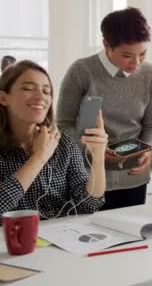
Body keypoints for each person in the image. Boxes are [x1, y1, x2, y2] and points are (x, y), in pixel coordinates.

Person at [57, 7, 152, 210]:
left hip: (133, 180)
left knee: (131, 238)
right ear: (106, 44)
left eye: (143, 54)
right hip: (87, 179)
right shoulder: (81, 71)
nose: (136, 63)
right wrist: (93, 151)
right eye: (127, 55)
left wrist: (148, 149)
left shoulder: (151, 75)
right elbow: (62, 126)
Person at [0, 60, 107, 218]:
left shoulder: (64, 144)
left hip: (59, 237)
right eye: (28, 88)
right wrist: (39, 157)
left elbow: (89, 204)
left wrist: (98, 157)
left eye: (46, 91)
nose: (40, 97)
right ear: (3, 98)